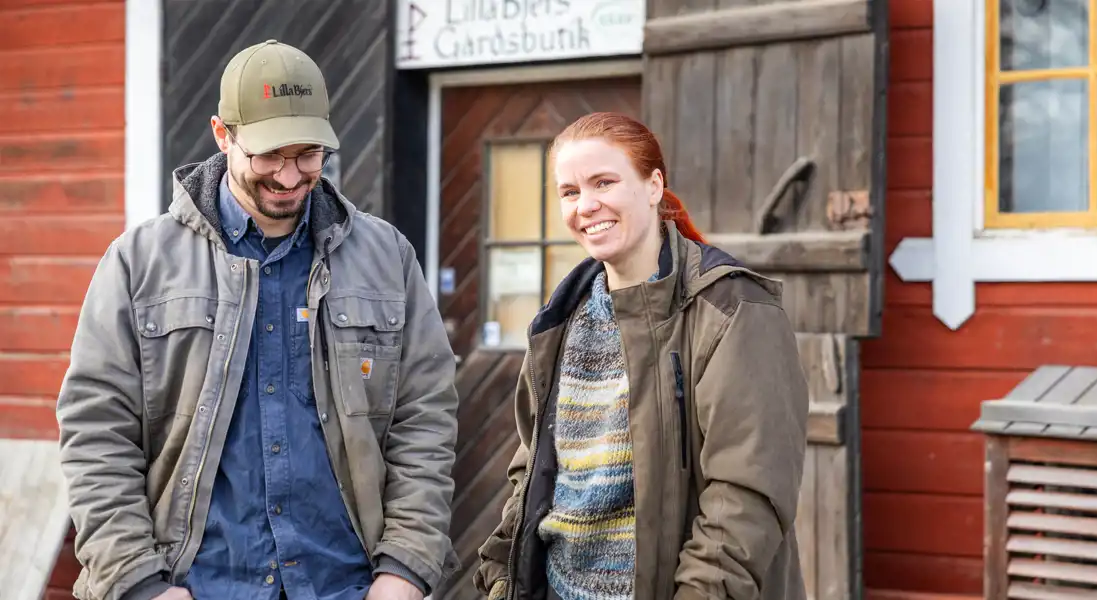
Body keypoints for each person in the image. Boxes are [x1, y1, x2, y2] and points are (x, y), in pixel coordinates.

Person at [56, 40, 459, 600]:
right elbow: (96, 432)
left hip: (347, 585)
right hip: (192, 585)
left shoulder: (386, 256)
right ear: (223, 135)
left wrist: (406, 568)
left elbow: (425, 419)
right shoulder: (138, 263)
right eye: (269, 155)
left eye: (308, 154)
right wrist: (137, 582)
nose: (291, 176)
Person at [473, 112, 810, 600]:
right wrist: (503, 575)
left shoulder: (731, 309)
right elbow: (533, 468)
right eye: (569, 191)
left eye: (603, 182)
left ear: (654, 185)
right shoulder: (562, 318)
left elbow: (746, 496)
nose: (586, 205)